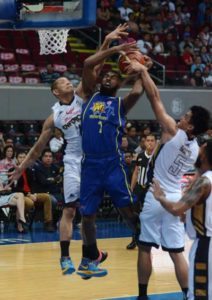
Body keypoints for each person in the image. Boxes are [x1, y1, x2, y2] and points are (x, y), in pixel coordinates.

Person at [9, 24, 138, 276]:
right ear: (56, 91)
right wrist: (20, 169)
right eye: (64, 81)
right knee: (70, 209)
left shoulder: (83, 96)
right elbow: (37, 149)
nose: (70, 81)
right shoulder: (54, 117)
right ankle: (65, 257)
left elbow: (94, 67)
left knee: (89, 214)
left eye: (70, 79)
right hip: (73, 161)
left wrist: (108, 42)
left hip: (94, 159)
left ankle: (93, 256)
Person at [131, 62, 210, 300]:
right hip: (176, 198)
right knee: (176, 252)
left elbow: (154, 97)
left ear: (191, 125)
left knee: (145, 247)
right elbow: (197, 175)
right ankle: (187, 294)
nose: (180, 117)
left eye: (185, 117)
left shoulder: (171, 131)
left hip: (157, 196)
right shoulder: (196, 148)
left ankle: (143, 295)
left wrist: (143, 70)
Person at [76, 44, 152, 278]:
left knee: (127, 209)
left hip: (112, 164)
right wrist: (115, 48)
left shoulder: (121, 104)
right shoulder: (89, 96)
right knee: (87, 215)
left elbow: (139, 91)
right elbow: (89, 64)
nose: (108, 78)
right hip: (90, 165)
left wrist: (141, 69)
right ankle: (88, 259)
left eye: (113, 77)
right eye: (106, 76)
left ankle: (142, 238)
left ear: (120, 85)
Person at [151, 139, 212, 300]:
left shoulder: (205, 181)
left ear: (205, 156)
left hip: (206, 246)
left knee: (200, 294)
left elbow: (176, 209)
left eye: (201, 149)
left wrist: (161, 198)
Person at [126, 133, 157, 250]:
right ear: (144, 143)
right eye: (148, 140)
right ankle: (135, 238)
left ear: (155, 142)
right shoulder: (139, 156)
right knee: (134, 215)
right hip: (139, 188)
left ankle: (148, 239)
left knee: (148, 216)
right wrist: (131, 188)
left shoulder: (157, 157)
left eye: (152, 140)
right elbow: (136, 172)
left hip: (150, 189)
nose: (149, 142)